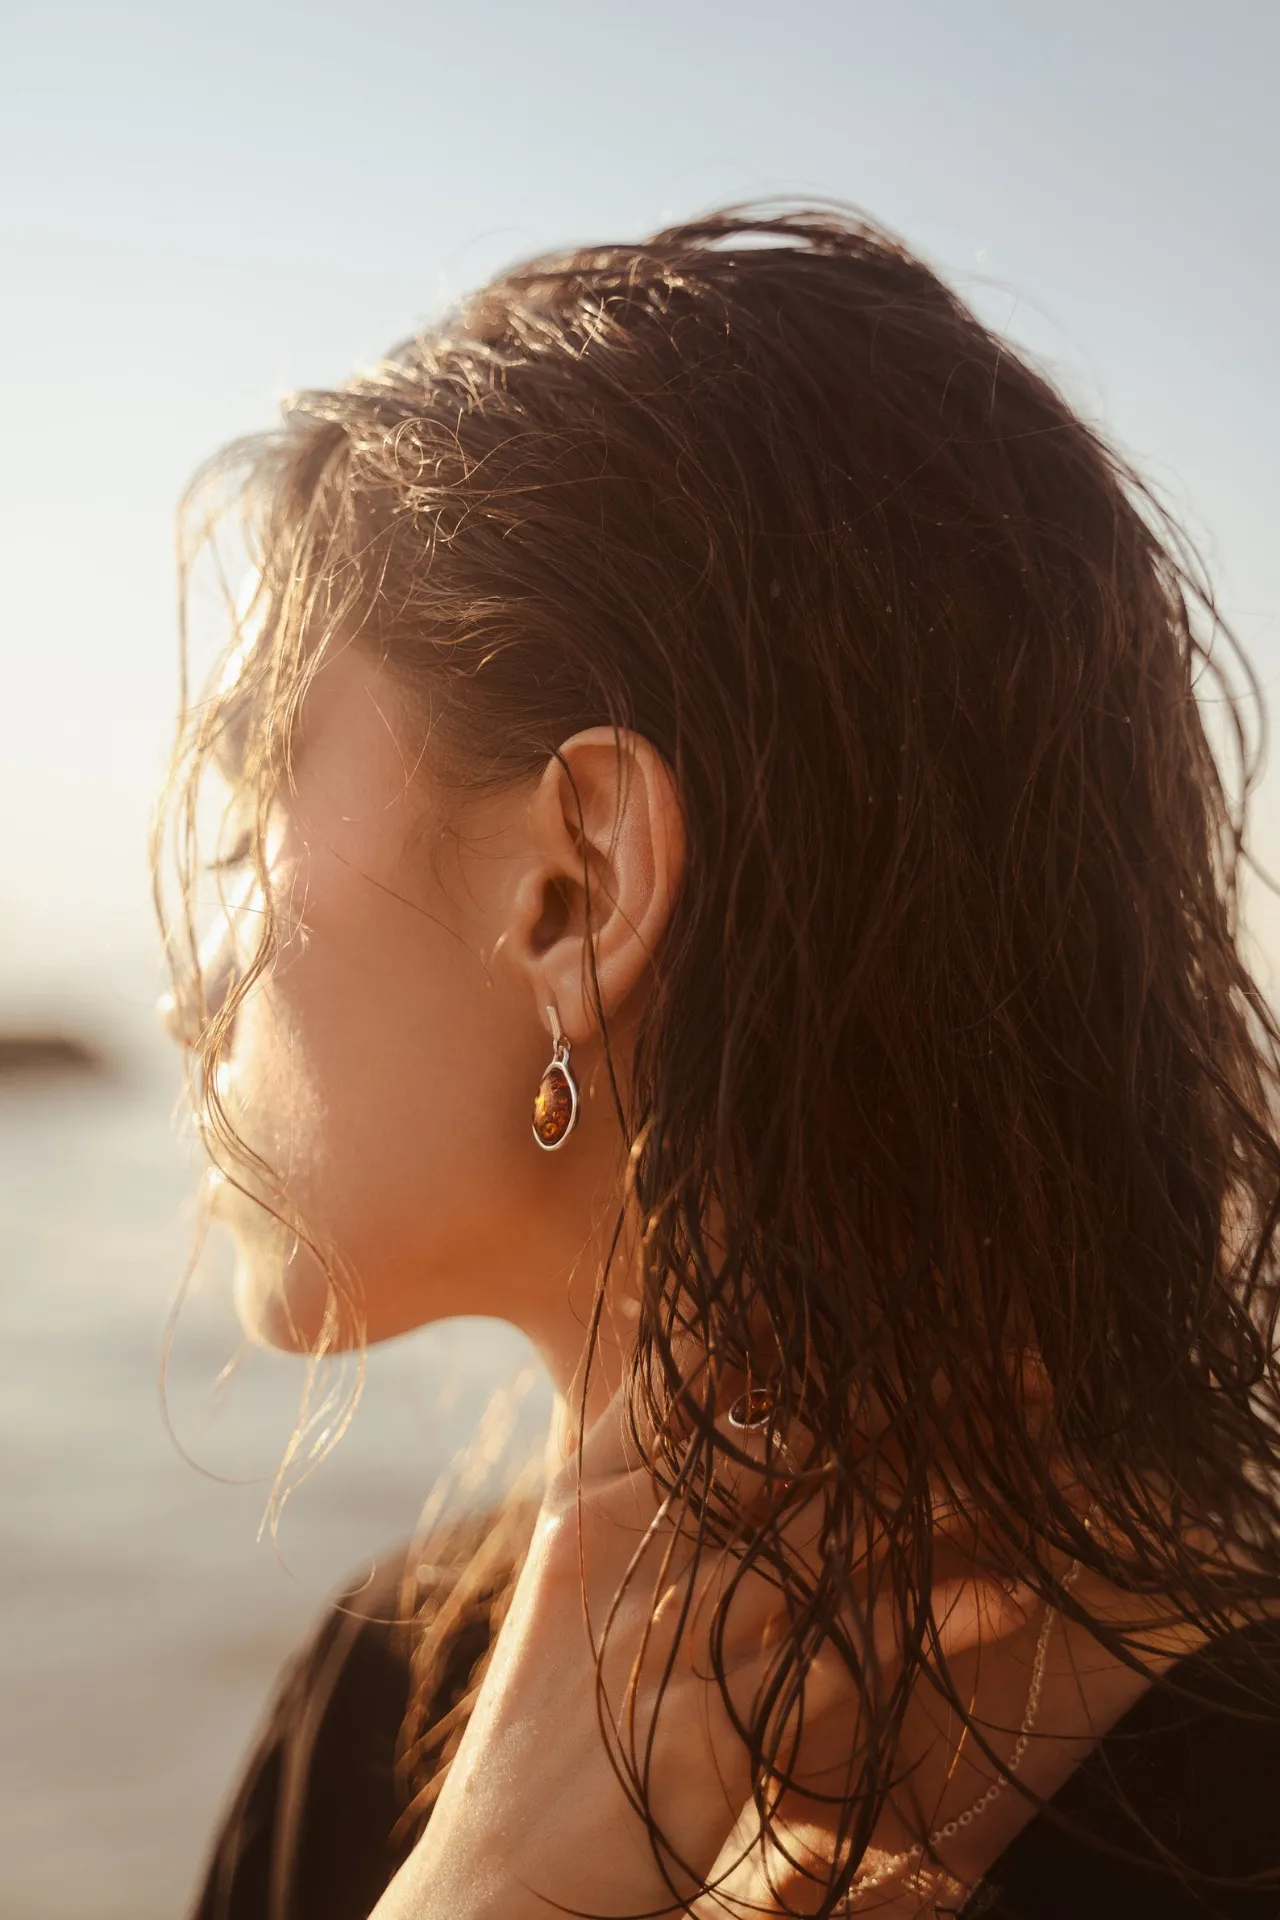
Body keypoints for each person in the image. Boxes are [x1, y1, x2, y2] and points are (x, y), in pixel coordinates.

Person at [156, 206, 1280, 1920]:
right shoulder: (384, 1708)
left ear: (575, 888)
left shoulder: (394, 1730)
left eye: (250, 836)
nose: (188, 999)